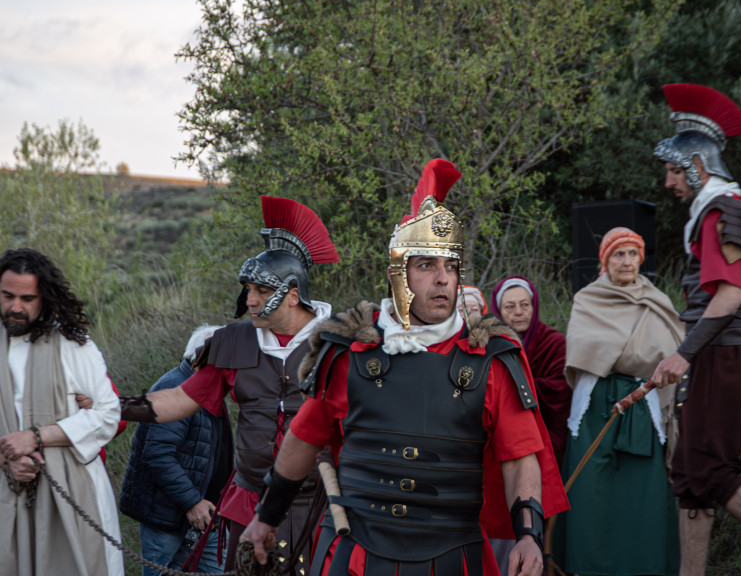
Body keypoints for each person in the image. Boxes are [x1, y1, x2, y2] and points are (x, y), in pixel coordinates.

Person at [239, 158, 569, 576]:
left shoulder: (491, 357)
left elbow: (520, 457)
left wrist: (528, 536)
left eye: (451, 266)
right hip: (357, 553)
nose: (443, 279)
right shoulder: (349, 351)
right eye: (427, 265)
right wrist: (265, 517)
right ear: (399, 274)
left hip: (454, 556)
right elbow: (304, 438)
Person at [121, 196, 339, 574]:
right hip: (249, 503)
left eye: (260, 291)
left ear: (291, 294)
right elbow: (179, 400)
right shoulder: (233, 342)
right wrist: (114, 406)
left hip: (319, 505)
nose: (249, 301)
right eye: (247, 290)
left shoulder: (341, 344)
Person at [652, 83, 741, 576]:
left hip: (717, 354)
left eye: (674, 170)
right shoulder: (735, 212)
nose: (669, 182)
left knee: (710, 472)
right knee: (692, 476)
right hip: (733, 355)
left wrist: (684, 355)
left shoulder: (719, 213)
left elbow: (733, 296)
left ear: (698, 167)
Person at [555, 226, 683, 576]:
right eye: (618, 254)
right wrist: (636, 359)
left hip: (644, 405)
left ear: (641, 259)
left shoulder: (658, 301)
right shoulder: (588, 300)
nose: (626, 262)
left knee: (643, 494)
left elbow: (673, 355)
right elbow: (584, 352)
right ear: (605, 261)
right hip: (596, 406)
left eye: (632, 254)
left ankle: (646, 567)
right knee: (591, 494)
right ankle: (587, 568)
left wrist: (633, 363)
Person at [0, 248, 124, 576]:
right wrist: (7, 456)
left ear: (45, 298)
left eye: (27, 298)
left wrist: (36, 437)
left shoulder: (73, 345)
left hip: (69, 490)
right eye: (7, 295)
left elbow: (107, 413)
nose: (15, 307)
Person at [119, 324, 234, 576]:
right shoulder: (174, 388)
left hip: (207, 518)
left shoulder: (211, 392)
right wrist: (192, 502)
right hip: (170, 518)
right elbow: (158, 454)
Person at [490, 276, 571, 466]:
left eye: (524, 305)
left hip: (547, 432)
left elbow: (560, 388)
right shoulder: (489, 345)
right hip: (503, 434)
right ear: (498, 310)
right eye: (510, 307)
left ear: (534, 307)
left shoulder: (554, 343)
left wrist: (512, 388)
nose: (518, 312)